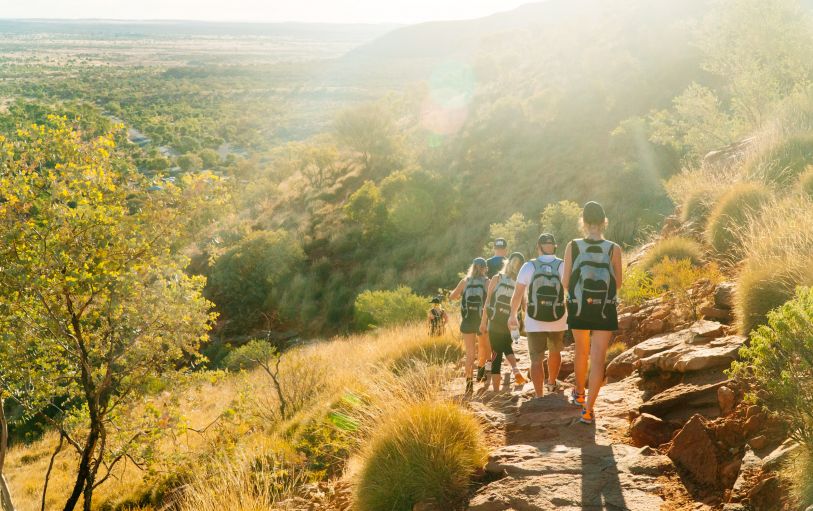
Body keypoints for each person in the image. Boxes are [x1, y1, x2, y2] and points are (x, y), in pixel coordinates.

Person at [562, 201, 623, 425]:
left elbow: (566, 281)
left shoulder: (573, 246)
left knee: (581, 351)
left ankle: (579, 393)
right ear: (604, 221)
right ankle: (588, 410)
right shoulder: (613, 248)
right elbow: (619, 283)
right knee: (598, 359)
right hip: (605, 309)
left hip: (579, 306)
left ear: (584, 222)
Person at [508, 233, 568, 398]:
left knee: (536, 359)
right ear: (554, 246)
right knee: (555, 352)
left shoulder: (528, 266)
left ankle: (539, 395)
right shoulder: (563, 265)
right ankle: (551, 384)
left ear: (538, 247)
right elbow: (570, 291)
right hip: (558, 318)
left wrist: (512, 315)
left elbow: (518, 294)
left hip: (534, 319)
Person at [480, 252, 528, 391]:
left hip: (495, 321)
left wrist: (483, 322)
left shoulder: (497, 278)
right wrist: (525, 323)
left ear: (507, 262)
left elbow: (488, 302)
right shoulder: (520, 283)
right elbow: (524, 306)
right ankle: (515, 369)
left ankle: (496, 391)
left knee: (496, 352)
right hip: (511, 322)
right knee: (506, 346)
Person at [450, 258, 489, 394]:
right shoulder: (486, 282)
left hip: (467, 321)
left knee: (470, 353)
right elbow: (491, 299)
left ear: (472, 267)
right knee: (483, 348)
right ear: (484, 268)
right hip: (481, 321)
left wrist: (456, 293)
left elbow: (452, 296)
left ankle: (469, 384)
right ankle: (481, 370)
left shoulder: (465, 281)